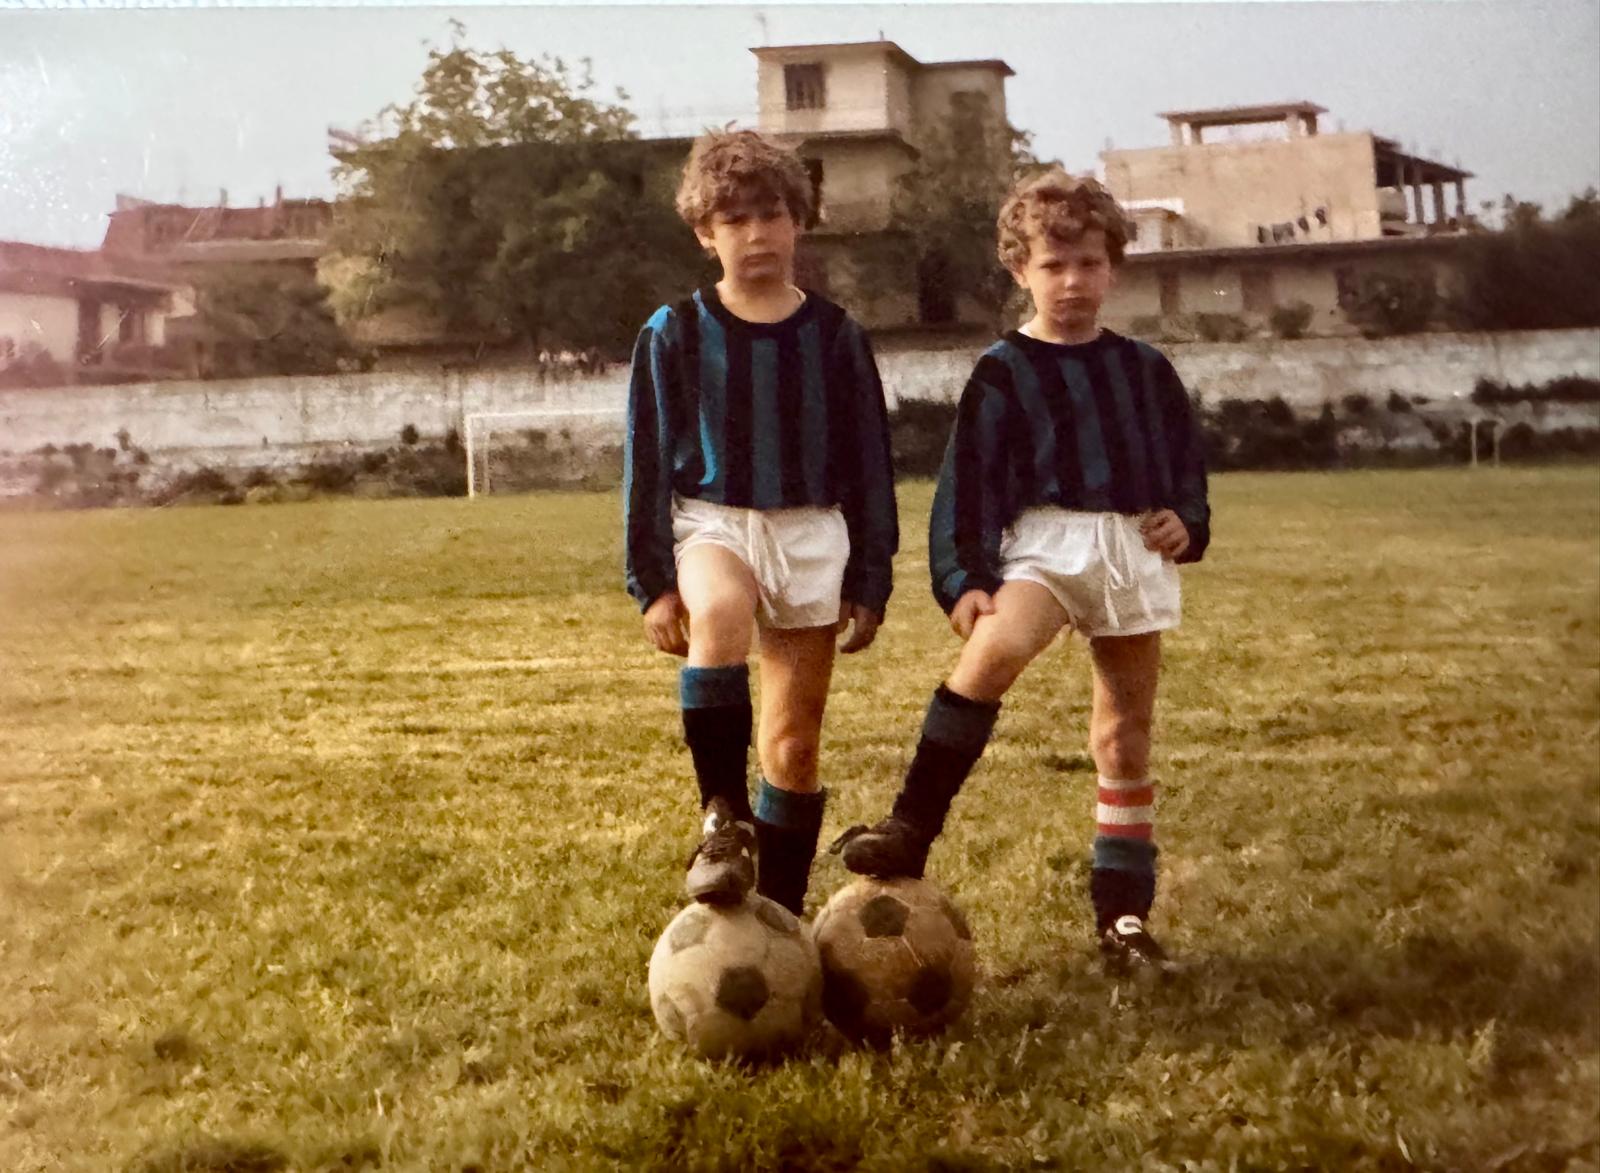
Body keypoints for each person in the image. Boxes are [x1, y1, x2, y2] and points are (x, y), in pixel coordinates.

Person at [833, 170, 1210, 972]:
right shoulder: (1004, 369)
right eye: (1053, 265)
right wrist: (964, 577)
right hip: (1044, 546)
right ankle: (911, 827)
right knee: (994, 652)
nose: (1072, 281)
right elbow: (967, 483)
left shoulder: (1146, 369)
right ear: (1019, 269)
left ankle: (1123, 918)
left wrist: (1188, 520)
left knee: (1123, 737)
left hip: (1129, 551)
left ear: (1113, 267)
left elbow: (1185, 468)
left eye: (1089, 264)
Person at [623, 129, 898, 917]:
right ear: (704, 233)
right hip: (714, 521)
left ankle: (780, 913)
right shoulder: (674, 332)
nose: (756, 233)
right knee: (719, 612)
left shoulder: (836, 335)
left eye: (771, 214)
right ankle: (722, 817)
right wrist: (652, 583)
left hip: (810, 531)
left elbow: (870, 461)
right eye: (734, 219)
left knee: (793, 748)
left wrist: (870, 575)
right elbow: (646, 460)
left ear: (798, 221)